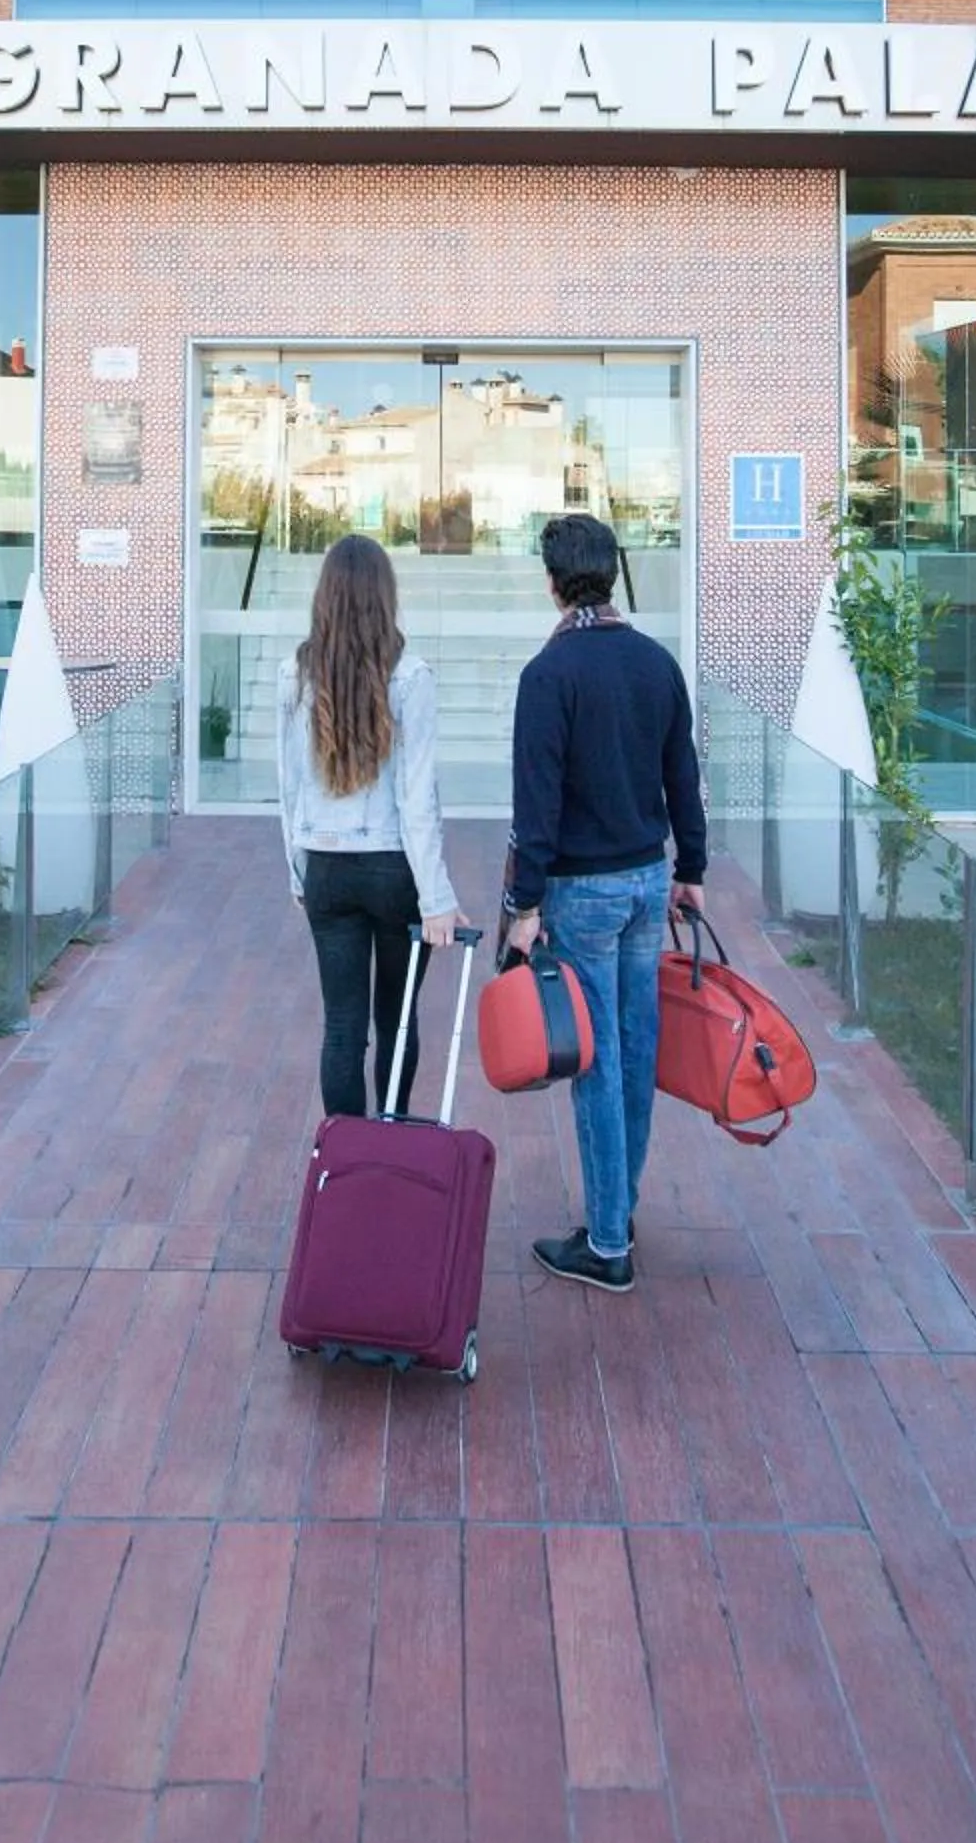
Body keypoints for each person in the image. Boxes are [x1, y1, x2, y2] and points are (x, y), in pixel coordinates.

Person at [505, 512, 707, 1292]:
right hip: (648, 881)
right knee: (634, 1044)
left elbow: (536, 803)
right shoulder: (656, 663)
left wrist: (524, 905)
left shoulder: (548, 675)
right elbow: (682, 776)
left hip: (581, 891)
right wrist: (691, 866)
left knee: (594, 1059)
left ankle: (607, 1243)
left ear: (553, 582)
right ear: (613, 574)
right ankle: (619, 1207)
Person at [279, 532, 460, 1119]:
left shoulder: (296, 674)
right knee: (397, 1021)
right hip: (395, 871)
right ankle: (390, 1142)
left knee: (342, 1027)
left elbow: (289, 787)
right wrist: (436, 897)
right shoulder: (411, 676)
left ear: (324, 596)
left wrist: (299, 873)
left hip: (326, 867)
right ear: (386, 595)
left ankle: (343, 1156)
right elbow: (417, 798)